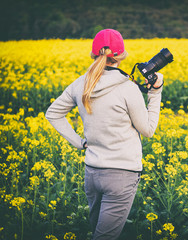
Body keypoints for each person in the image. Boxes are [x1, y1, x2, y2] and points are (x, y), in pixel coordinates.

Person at [45, 29, 163, 239]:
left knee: (98, 233)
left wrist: (80, 143)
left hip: (92, 173)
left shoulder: (81, 84)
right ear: (121, 56)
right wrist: (155, 92)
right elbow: (148, 130)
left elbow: (53, 114)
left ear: (93, 54)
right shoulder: (127, 88)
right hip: (121, 174)